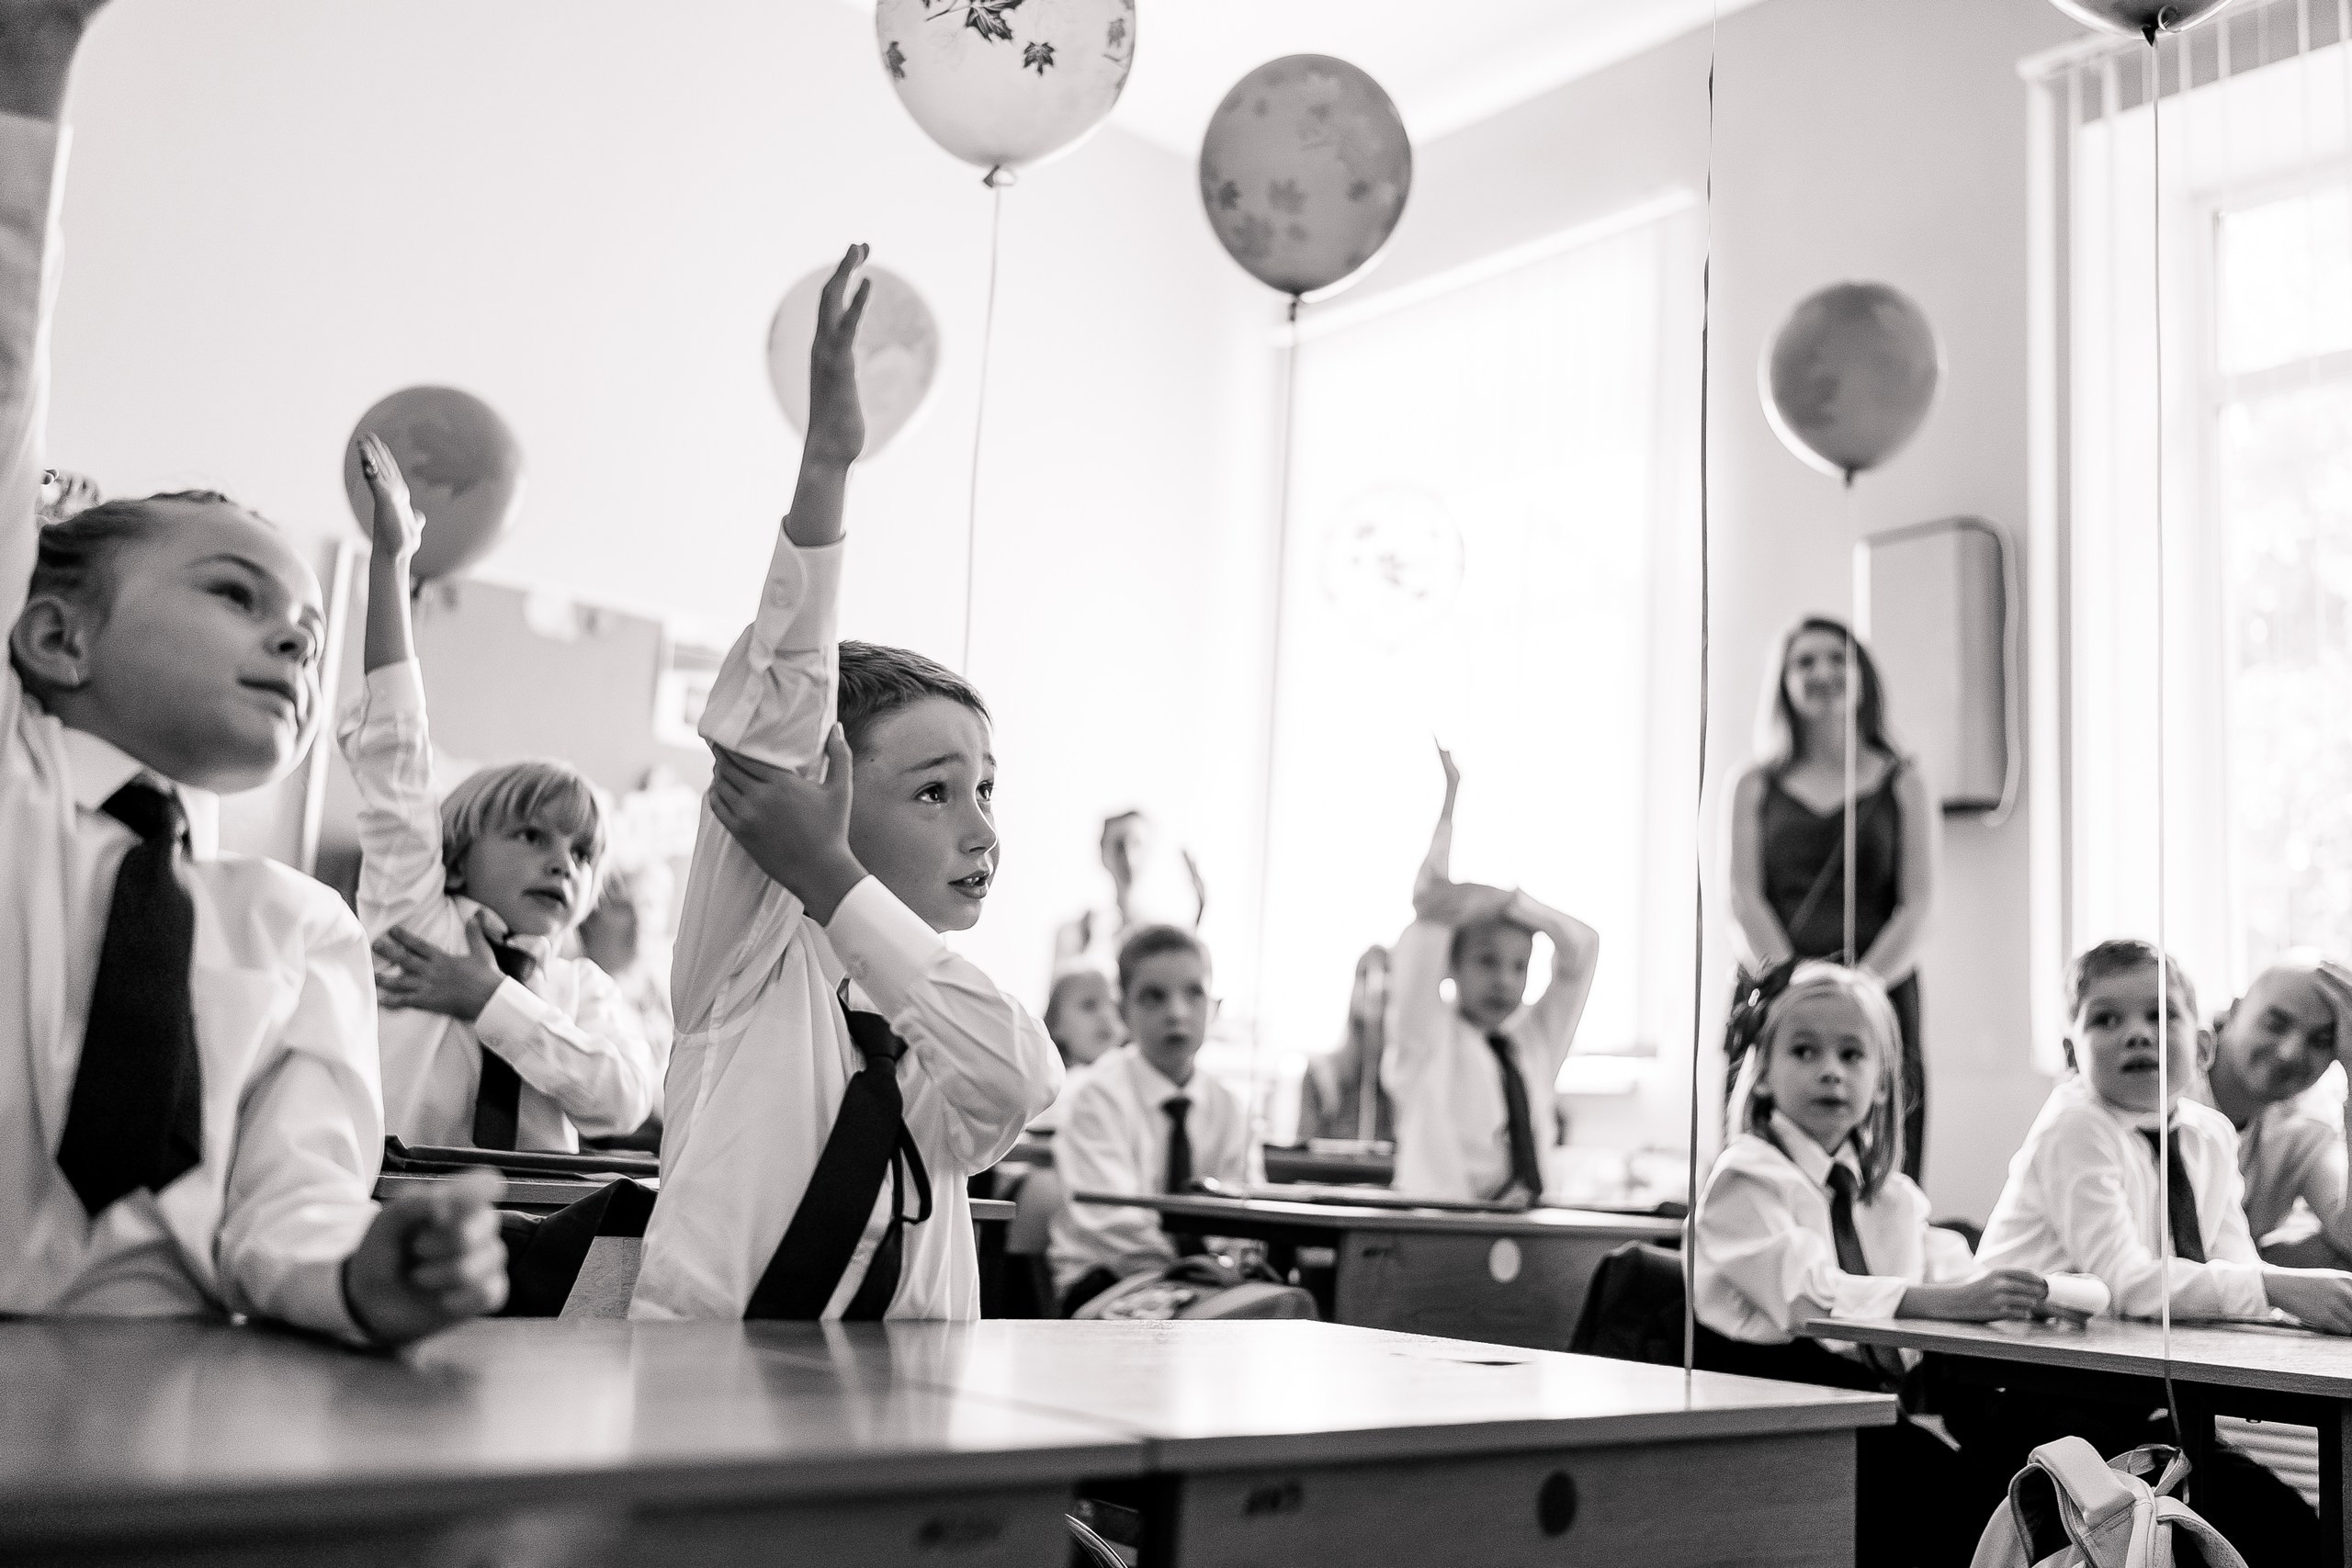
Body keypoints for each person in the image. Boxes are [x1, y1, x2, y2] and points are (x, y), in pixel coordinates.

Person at [0, 0, 503, 1345]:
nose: (292, 638)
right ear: (55, 637)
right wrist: (32, 66)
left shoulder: (297, 926)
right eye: (234, 593)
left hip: (159, 1397)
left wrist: (363, 1273)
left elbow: (294, 1206)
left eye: (309, 628)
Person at [629, 246, 1060, 1322]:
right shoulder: (751, 955)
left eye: (987, 791)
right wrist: (826, 465)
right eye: (934, 792)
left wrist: (838, 877)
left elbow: (1021, 1079)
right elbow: (781, 698)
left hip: (908, 1401)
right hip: (709, 1393)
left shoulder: (939, 1019)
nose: (981, 831)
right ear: (821, 788)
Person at [1966, 939, 2352, 1565]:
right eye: (2106, 1019)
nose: (2137, 1034)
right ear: (2072, 1054)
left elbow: (2234, 1267)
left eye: (2160, 1015)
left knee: (2290, 1527)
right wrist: (2278, 1287)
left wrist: (2305, 1300)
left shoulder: (2208, 1135)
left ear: (2201, 1046)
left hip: (2128, 1393)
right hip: (2021, 1389)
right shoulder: (2076, 1126)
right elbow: (2124, 1281)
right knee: (2158, 1529)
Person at [338, 439, 661, 1156]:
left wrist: (488, 1000)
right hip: (402, 1199)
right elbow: (397, 761)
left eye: (583, 853)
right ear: (455, 856)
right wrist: (392, 563)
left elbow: (622, 1099)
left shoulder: (582, 990)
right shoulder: (416, 921)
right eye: (531, 835)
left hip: (548, 1218)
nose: (563, 863)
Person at [1694, 962, 2049, 1568]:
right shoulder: (1746, 1176)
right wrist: (1945, 1301)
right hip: (1775, 1409)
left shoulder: (1890, 1197)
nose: (1831, 1070)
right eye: (1804, 1051)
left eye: (1852, 1055)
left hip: (1874, 1406)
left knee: (2026, 1466)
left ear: (1881, 1084)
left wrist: (2028, 1294)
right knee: (1957, 1504)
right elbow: (1807, 1295)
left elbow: (1953, 1272)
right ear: (1762, 1076)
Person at [1726, 617, 1937, 1180]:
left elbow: (1918, 904)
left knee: (1879, 1173)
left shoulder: (1903, 779)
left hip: (1881, 989)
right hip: (1774, 990)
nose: (1822, 672)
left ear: (1862, 675)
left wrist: (1859, 991)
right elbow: (1742, 899)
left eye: (1837, 658)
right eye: (1804, 662)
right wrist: (1794, 988)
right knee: (1763, 1171)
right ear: (1783, 682)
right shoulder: (1752, 784)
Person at [1383, 748, 1599, 1203]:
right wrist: (1450, 799)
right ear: (1451, 966)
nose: (1504, 980)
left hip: (1526, 1224)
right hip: (1441, 1223)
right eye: (1486, 961)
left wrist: (1516, 904)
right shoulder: (1425, 1036)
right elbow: (1430, 908)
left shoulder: (1532, 1043)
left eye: (1520, 966)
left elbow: (1582, 948)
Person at [1048, 925, 1259, 1315]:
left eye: (1193, 993)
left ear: (1215, 1006)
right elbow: (1115, 1226)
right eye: (1154, 997)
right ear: (1123, 1011)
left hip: (1208, 1281)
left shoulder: (1231, 1108)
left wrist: (1225, 1266)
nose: (1177, 1013)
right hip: (1109, 1280)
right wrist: (1197, 1271)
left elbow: (1247, 1219)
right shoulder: (1097, 1098)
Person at [2198, 953, 2352, 1268]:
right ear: (2235, 1010)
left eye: (2321, 1041)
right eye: (2276, 1024)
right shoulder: (2160, 1085)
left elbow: (2348, 1236)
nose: (2290, 1053)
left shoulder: (2305, 1127)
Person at [1051, 809, 1204, 982]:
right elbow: (1059, 995)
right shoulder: (1077, 932)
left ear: (1151, 851)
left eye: (1137, 844)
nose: (1128, 857)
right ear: (1103, 854)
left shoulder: (1170, 934)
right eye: (1119, 845)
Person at [1296, 944, 1395, 1145]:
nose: (1376, 987)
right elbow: (1304, 1153)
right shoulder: (1321, 1074)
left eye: (1387, 973)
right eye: (1365, 975)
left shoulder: (1405, 1080)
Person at [1028, 964, 1123, 1133]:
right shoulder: (1050, 1087)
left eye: (1115, 1005)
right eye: (1089, 1005)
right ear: (1055, 1025)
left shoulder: (1130, 1073)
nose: (1106, 1015)